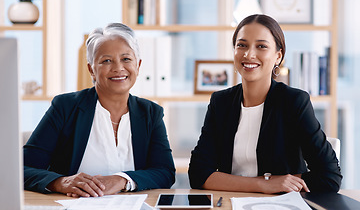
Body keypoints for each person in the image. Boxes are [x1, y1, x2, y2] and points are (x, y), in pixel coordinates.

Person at [188, 14, 342, 193]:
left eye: (261, 46)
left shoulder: (294, 102)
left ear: (278, 56)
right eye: (242, 45)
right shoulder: (220, 102)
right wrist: (264, 183)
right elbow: (199, 174)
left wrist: (284, 183)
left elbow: (330, 177)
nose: (249, 54)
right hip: (230, 203)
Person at [24, 23, 176, 197]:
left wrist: (122, 180)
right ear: (91, 70)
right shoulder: (65, 107)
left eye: (126, 59)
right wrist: (62, 182)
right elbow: (23, 168)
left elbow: (165, 172)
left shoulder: (151, 113)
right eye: (106, 61)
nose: (118, 68)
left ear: (138, 65)